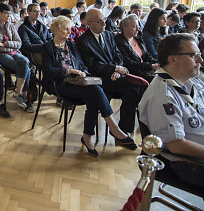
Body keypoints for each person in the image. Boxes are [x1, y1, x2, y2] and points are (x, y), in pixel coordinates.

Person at [42, 16, 136, 156]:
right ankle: (112, 129)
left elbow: (82, 65)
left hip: (78, 82)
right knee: (95, 91)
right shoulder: (48, 47)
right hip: (61, 84)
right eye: (65, 29)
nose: (69, 32)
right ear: (55, 30)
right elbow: (48, 71)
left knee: (94, 97)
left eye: (70, 29)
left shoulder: (72, 45)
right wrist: (68, 71)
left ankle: (88, 136)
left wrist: (83, 73)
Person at [139, 34, 204, 189]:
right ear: (173, 59)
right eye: (193, 55)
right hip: (189, 163)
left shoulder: (194, 83)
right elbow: (177, 145)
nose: (200, 60)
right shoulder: (163, 95)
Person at [77, 9, 146, 134]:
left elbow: (118, 56)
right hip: (101, 79)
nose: (104, 23)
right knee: (135, 88)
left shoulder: (109, 35)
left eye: (104, 19)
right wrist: (113, 68)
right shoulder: (83, 41)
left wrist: (118, 69)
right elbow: (92, 66)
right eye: (99, 21)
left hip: (117, 77)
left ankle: (124, 130)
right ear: (89, 23)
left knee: (135, 90)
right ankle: (123, 131)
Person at [0, 3, 31, 111]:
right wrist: (9, 46)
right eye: (6, 13)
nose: (8, 16)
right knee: (26, 67)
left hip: (14, 52)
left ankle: (18, 93)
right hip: (1, 56)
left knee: (25, 61)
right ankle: (23, 96)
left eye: (10, 14)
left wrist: (5, 44)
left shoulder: (11, 26)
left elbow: (19, 43)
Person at [115, 15, 159, 82]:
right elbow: (128, 63)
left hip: (144, 69)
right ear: (125, 28)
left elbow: (147, 55)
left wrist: (157, 62)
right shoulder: (119, 41)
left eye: (138, 26)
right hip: (133, 72)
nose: (138, 29)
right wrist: (151, 66)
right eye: (134, 27)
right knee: (158, 80)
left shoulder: (138, 39)